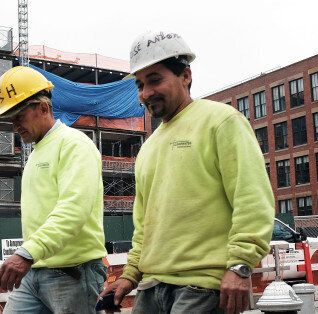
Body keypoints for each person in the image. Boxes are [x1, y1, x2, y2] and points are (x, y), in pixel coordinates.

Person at [99, 30, 275, 314]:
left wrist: (241, 265)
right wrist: (129, 275)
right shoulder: (149, 146)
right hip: (151, 289)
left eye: (155, 80)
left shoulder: (222, 121)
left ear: (186, 76)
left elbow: (251, 198)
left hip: (202, 288)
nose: (146, 93)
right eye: (140, 84)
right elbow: (144, 223)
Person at [0, 66, 108, 313]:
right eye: (11, 119)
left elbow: (73, 209)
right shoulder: (37, 151)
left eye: (19, 117)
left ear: (43, 108)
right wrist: (31, 256)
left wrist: (26, 253)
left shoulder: (74, 145)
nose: (15, 126)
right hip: (35, 270)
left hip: (73, 273)